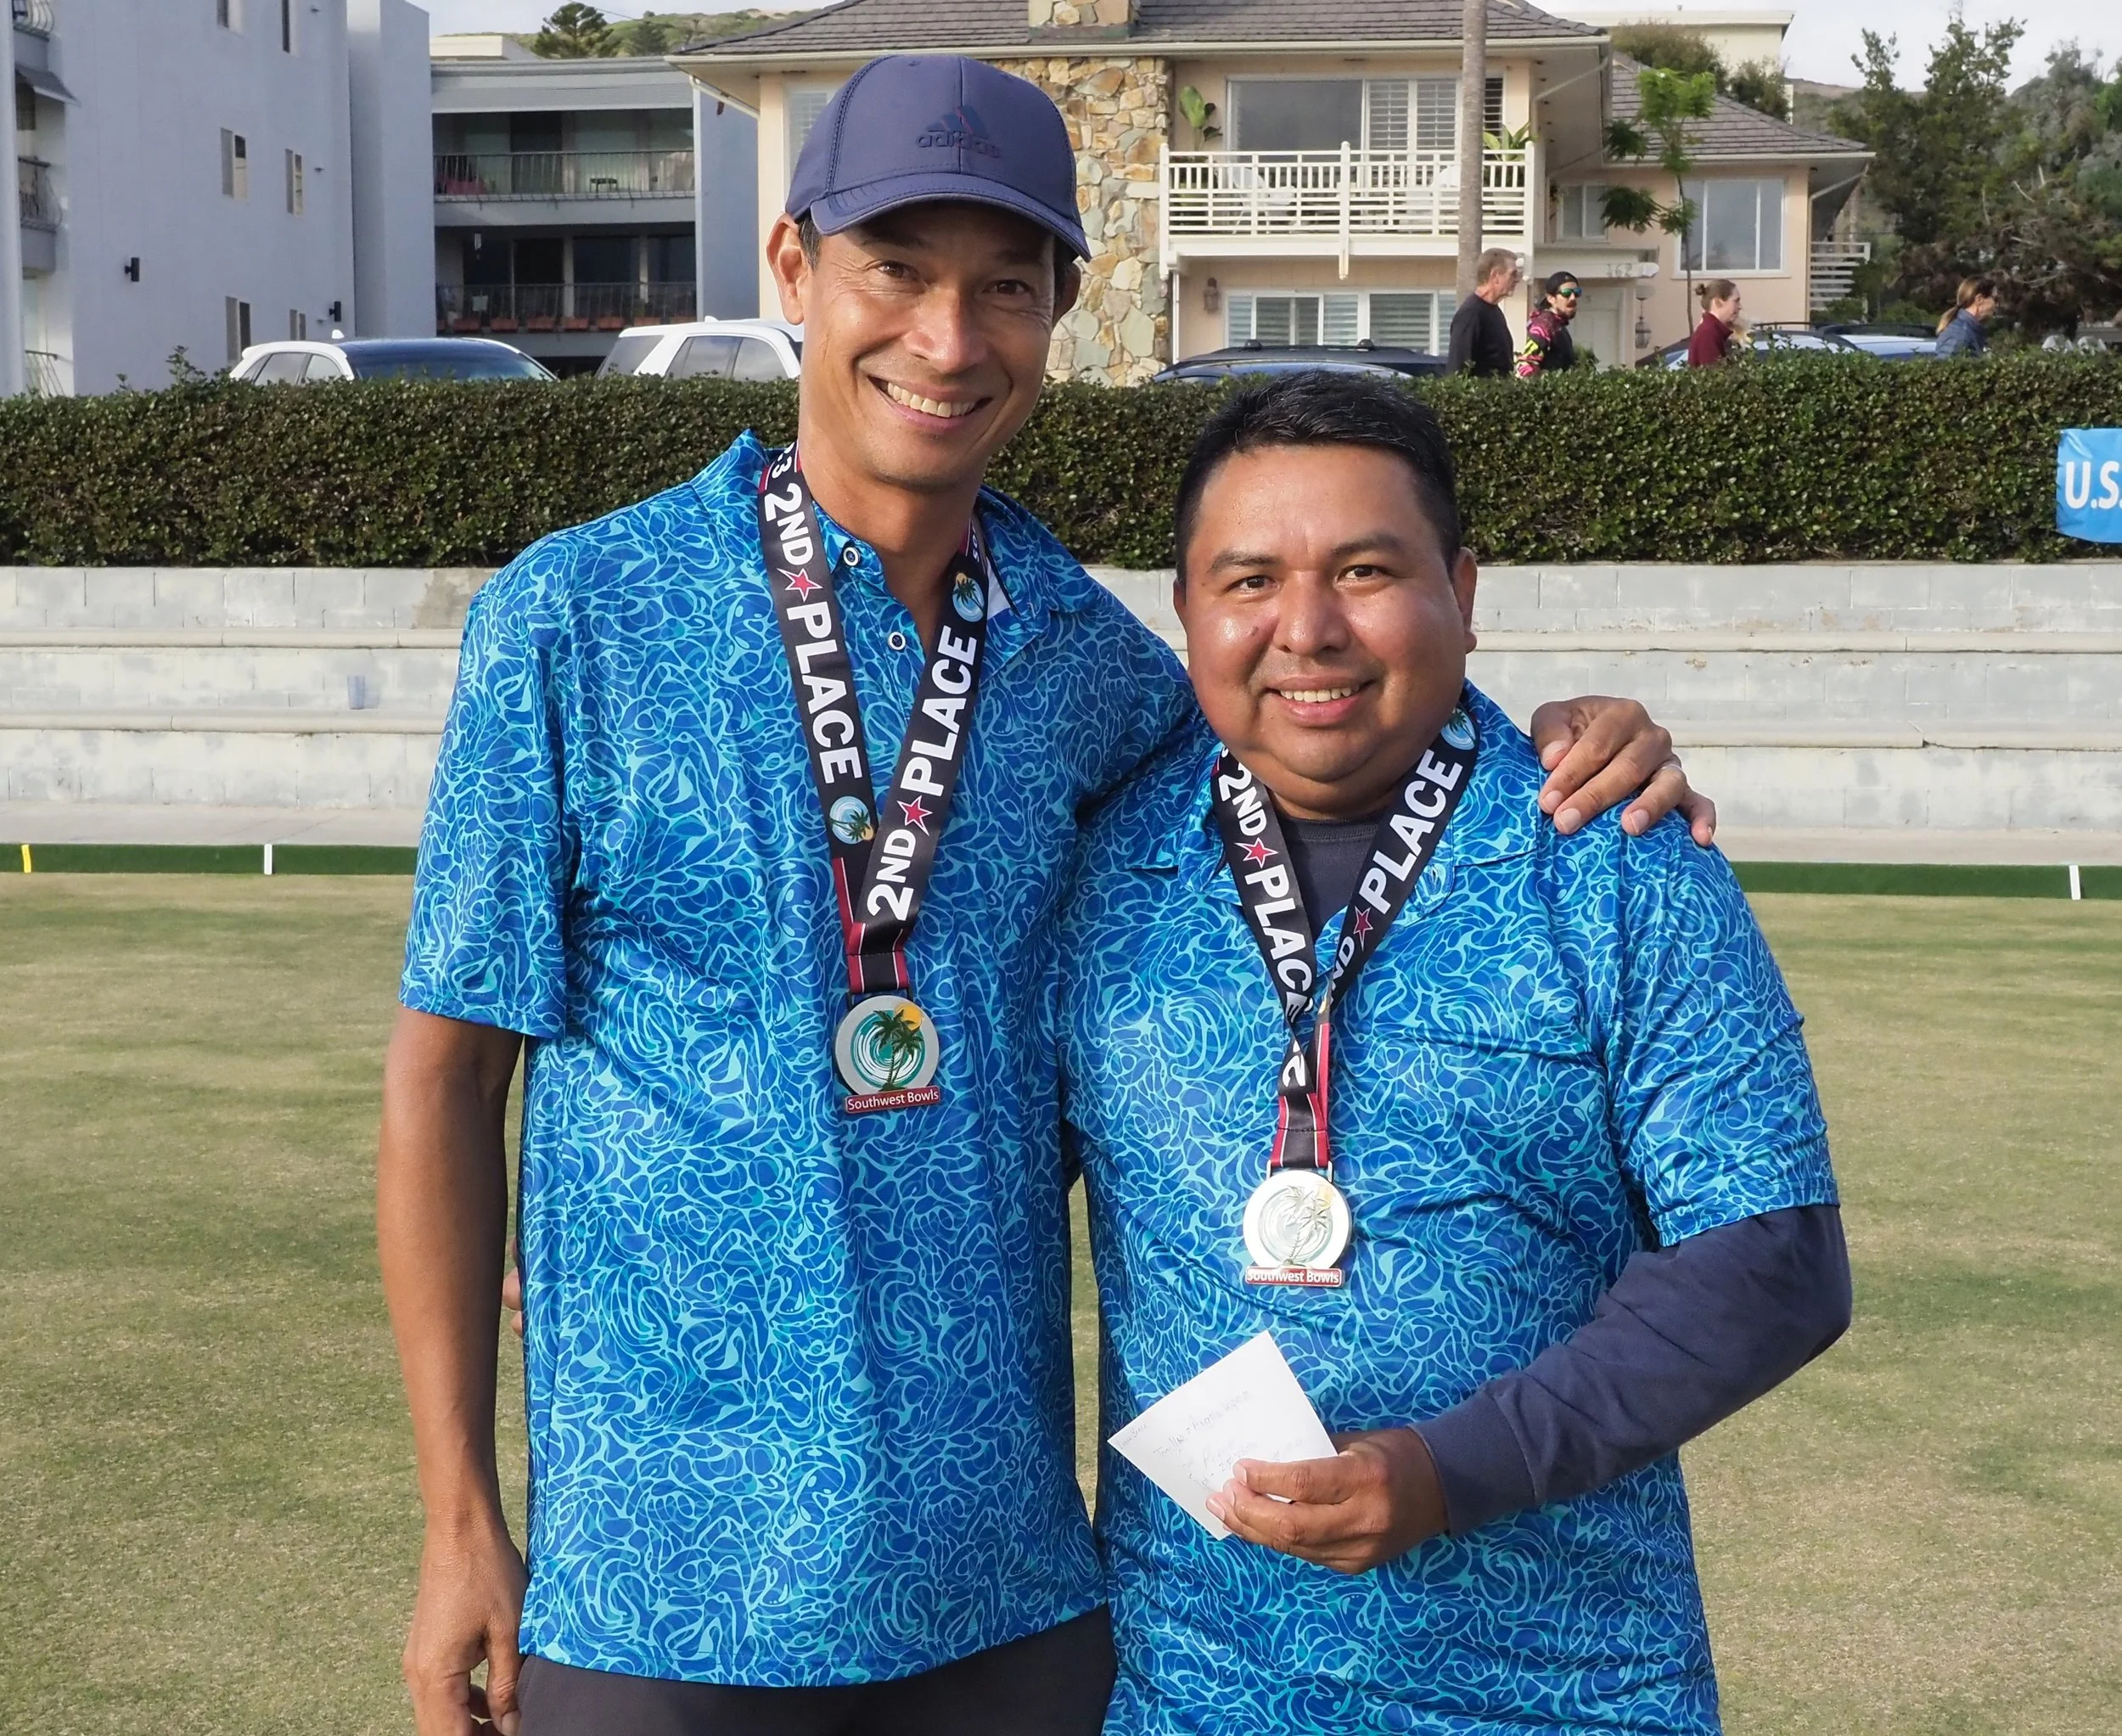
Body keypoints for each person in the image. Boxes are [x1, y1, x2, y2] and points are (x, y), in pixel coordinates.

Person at [379, 55, 1715, 1736]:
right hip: (656, 1589)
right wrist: (457, 1521)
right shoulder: (570, 619)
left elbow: (1336, 787)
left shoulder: (1098, 672)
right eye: (897, 272)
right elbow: (444, 1075)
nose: (946, 339)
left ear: (1058, 313)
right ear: (792, 269)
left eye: (1001, 288)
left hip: (1009, 1602)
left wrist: (1576, 741)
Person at [1057, 372, 1850, 1733]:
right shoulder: (1097, 867)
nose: (1305, 629)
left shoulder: (1615, 858)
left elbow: (1771, 1259)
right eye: (1246, 579)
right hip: (1191, 1690)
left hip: (1562, 1687)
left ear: (1464, 591)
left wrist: (1448, 1471)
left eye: (1364, 570)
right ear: (1184, 610)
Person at [1445, 249, 1520, 378]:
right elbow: (1457, 370)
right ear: (1495, 276)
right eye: (1513, 274)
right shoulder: (1471, 314)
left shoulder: (1494, 311)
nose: (1517, 280)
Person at [1514, 271, 1579, 378]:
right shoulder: (1545, 324)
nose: (1573, 298)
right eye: (1566, 293)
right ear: (1551, 299)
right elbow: (1526, 364)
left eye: (1576, 292)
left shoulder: (1558, 325)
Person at [1935, 277, 1998, 357]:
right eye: (1995, 299)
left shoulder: (1971, 330)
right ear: (1979, 299)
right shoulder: (1959, 334)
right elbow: (1946, 366)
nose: (1997, 305)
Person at [1687, 278, 1742, 366]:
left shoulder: (1712, 331)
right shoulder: (1708, 333)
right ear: (1718, 302)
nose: (1740, 307)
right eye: (1736, 301)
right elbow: (1714, 376)